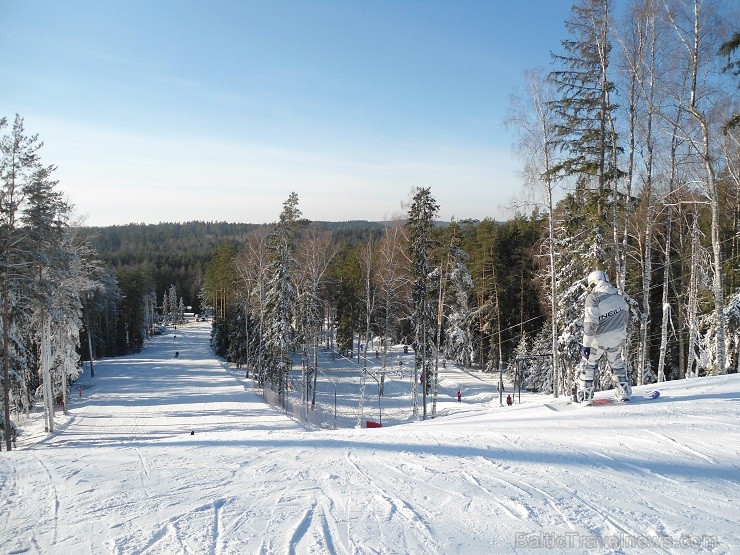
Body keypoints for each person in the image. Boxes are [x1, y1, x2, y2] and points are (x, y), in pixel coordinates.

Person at [578, 270, 632, 402]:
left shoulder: (593, 298)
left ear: (593, 283)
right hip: (617, 338)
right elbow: (625, 317)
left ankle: (585, 395)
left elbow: (590, 323)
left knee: (588, 364)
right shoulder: (619, 298)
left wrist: (586, 345)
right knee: (617, 363)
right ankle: (623, 391)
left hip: (600, 338)